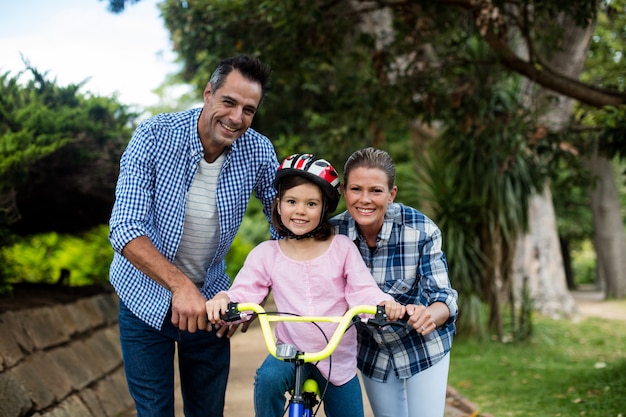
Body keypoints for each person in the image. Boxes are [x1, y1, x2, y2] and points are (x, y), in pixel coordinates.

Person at [108, 55, 279, 417]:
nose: (236, 118)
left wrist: (255, 292)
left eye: (249, 110)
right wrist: (180, 287)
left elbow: (284, 223)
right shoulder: (153, 135)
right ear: (208, 94)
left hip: (211, 305)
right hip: (143, 296)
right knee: (154, 412)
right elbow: (125, 226)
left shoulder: (260, 151)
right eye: (229, 102)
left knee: (207, 412)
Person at [205, 153, 406, 417]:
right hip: (289, 353)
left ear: (324, 210)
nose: (300, 210)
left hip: (336, 358)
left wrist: (383, 305)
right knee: (267, 380)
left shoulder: (341, 248)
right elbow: (245, 292)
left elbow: (362, 290)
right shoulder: (266, 254)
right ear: (278, 205)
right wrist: (224, 301)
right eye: (291, 201)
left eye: (311, 203)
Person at [330, 147, 459, 417]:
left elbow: (444, 298)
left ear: (391, 195)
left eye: (376, 191)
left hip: (422, 344)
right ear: (343, 191)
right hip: (372, 348)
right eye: (356, 189)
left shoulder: (420, 229)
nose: (365, 200)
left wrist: (429, 314)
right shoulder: (331, 234)